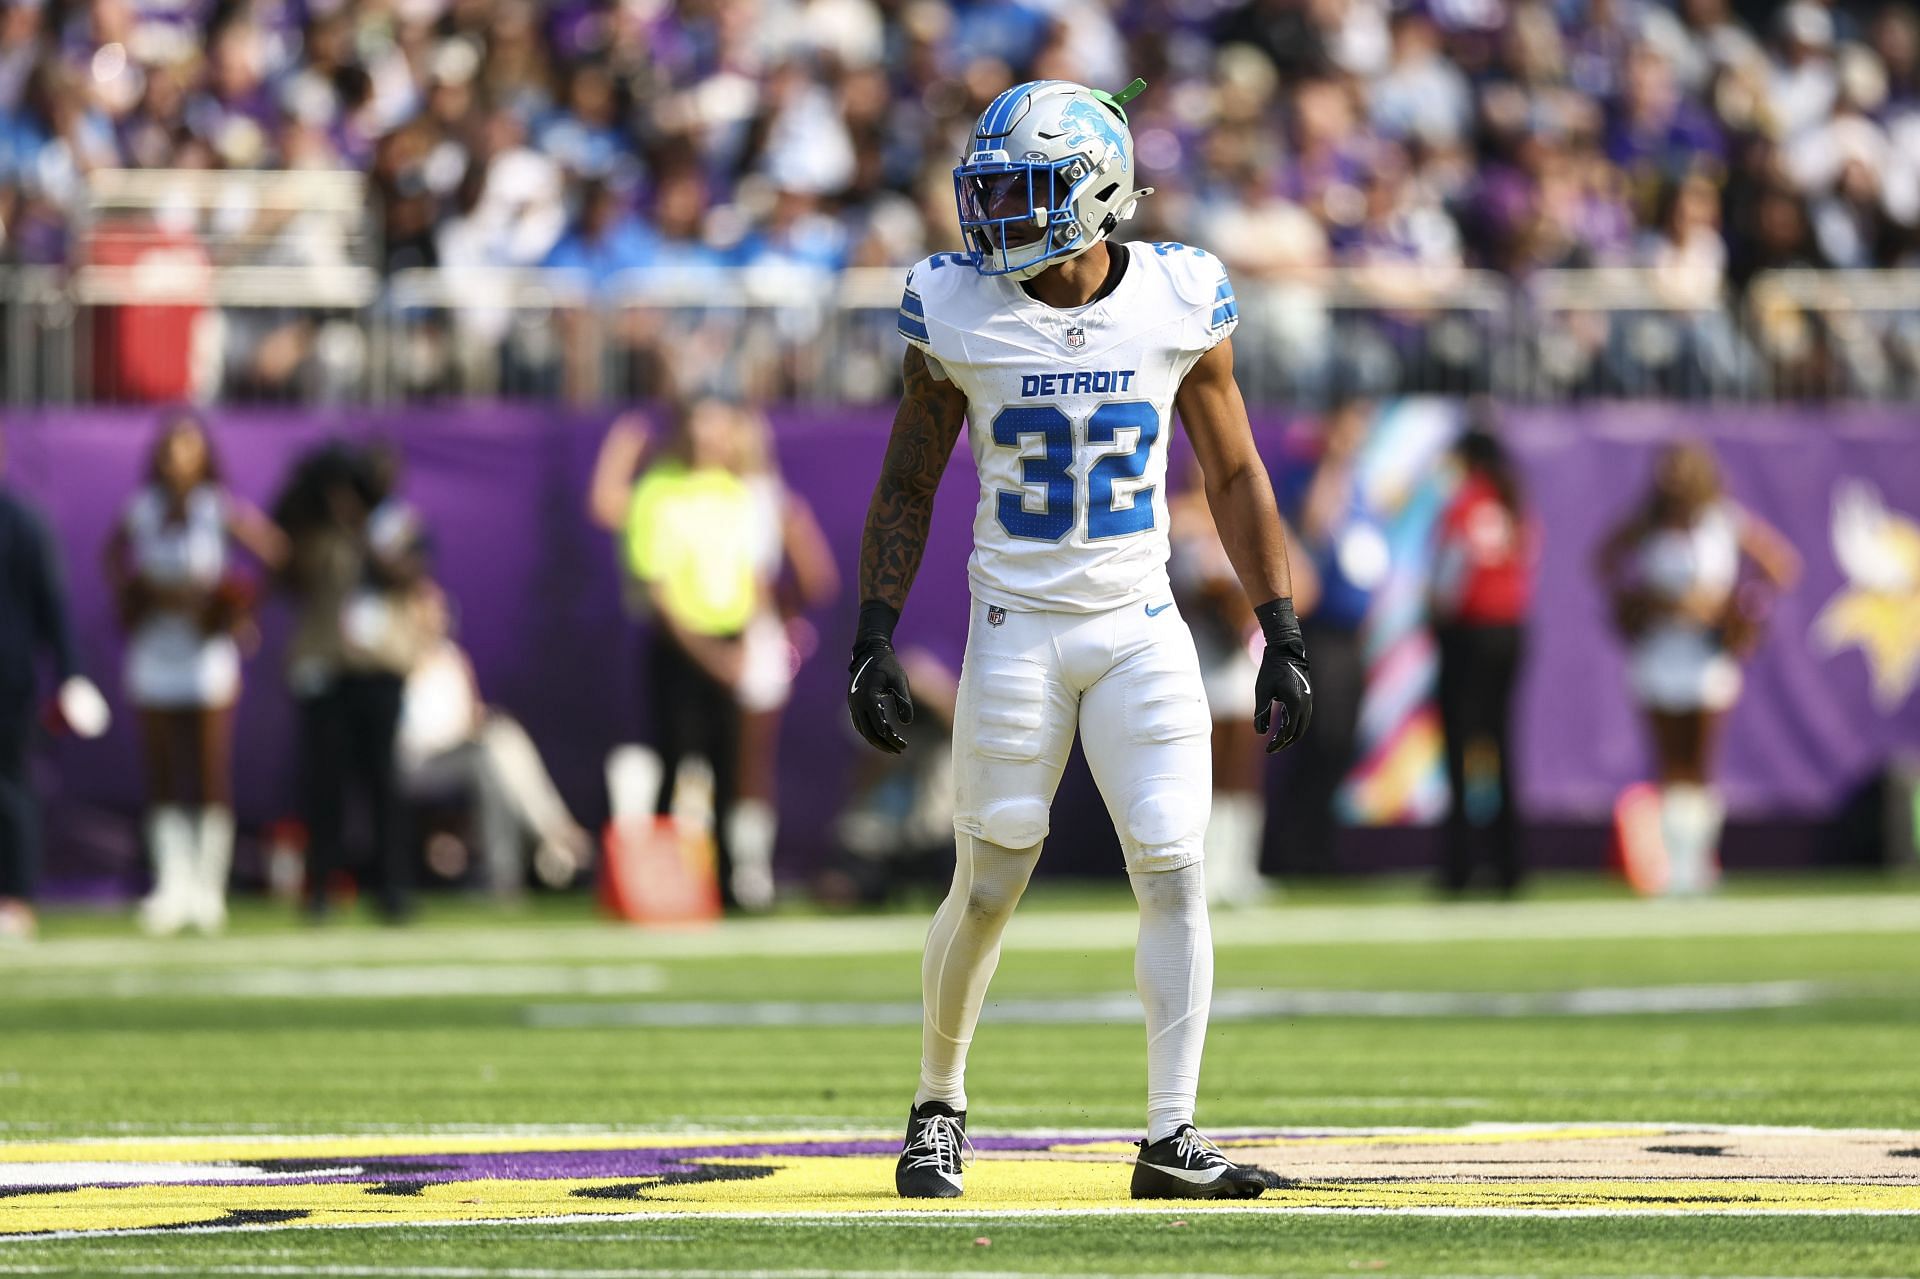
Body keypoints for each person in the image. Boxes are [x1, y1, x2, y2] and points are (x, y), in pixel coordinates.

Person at [845, 79, 1311, 1201]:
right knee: (993, 874)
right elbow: (912, 471)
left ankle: (1170, 1134)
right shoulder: (954, 306)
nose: (997, 211)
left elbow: (1237, 469)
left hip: (1139, 626)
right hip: (1014, 627)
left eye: (1026, 188)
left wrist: (1279, 623)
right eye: (991, 187)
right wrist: (873, 629)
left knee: (1176, 864)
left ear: (1097, 194)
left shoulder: (1177, 295)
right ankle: (937, 1107)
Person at [104, 413, 286, 935]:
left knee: (208, 772)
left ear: (203, 456)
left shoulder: (218, 509)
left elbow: (273, 552)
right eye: (169, 450)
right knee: (162, 770)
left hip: (206, 657)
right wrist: (136, 599)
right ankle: (171, 884)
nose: (177, 461)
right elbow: (112, 557)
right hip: (155, 652)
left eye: (188, 449)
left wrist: (239, 611)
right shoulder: (142, 510)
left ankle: (208, 888)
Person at [1596, 442, 1800, 894]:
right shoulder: (1646, 525)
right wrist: (1647, 602)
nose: (1675, 481)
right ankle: (1675, 868)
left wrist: (1735, 607)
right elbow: (1602, 561)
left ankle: (1699, 864)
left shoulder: (1724, 520)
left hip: (1706, 653)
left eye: (1683, 471)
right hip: (1660, 651)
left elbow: (1781, 565)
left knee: (1701, 763)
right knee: (1670, 765)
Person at [590, 402, 761, 910]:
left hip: (728, 643)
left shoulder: (735, 493)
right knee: (674, 762)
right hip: (680, 647)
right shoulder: (657, 490)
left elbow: (748, 577)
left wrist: (743, 646)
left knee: (728, 770)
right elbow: (658, 590)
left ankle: (727, 883)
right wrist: (710, 655)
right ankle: (661, 889)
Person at [275, 442, 429, 922]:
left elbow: (406, 574)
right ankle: (320, 885)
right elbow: (288, 579)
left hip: (379, 668)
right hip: (327, 669)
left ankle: (393, 887)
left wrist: (361, 528)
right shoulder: (317, 534)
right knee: (324, 786)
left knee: (385, 783)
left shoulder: (399, 525)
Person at [1169, 455, 1319, 907]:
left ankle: (1238, 868)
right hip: (1193, 650)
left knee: (1243, 761)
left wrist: (1257, 618)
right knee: (1200, 761)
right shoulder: (1176, 515)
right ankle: (1198, 869)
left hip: (1242, 654)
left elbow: (1305, 586)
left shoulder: (1252, 517)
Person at [398, 586, 593, 898]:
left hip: (461, 752)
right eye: (428, 611)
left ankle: (516, 863)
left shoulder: (452, 658)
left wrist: (480, 723)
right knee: (491, 751)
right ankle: (552, 833)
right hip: (414, 764)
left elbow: (469, 715)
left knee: (500, 737)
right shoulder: (398, 661)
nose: (437, 618)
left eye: (441, 611)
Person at [0, 429, 109, 941]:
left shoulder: (20, 521)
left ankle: (16, 898)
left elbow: (52, 606)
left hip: (8, 680)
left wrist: (72, 675)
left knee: (11, 788)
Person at [731, 404, 840, 911]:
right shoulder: (696, 495)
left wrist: (779, 617)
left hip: (751, 639)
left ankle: (748, 871)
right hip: (707, 632)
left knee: (748, 758)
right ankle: (721, 869)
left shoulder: (772, 500)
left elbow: (817, 577)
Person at [1278, 396, 1386, 875]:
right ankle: (1297, 850)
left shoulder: (1365, 484)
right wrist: (1333, 462)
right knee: (1318, 737)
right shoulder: (1311, 477)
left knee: (1343, 739)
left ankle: (1320, 845)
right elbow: (1317, 529)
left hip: (1353, 633)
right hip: (1317, 630)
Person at [1429, 421, 1536, 897]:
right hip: (1510, 631)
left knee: (1459, 748)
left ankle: (1460, 867)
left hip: (1468, 634)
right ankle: (1509, 865)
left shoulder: (1465, 504)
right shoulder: (1513, 503)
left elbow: (1450, 579)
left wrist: (1435, 615)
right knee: (1500, 744)